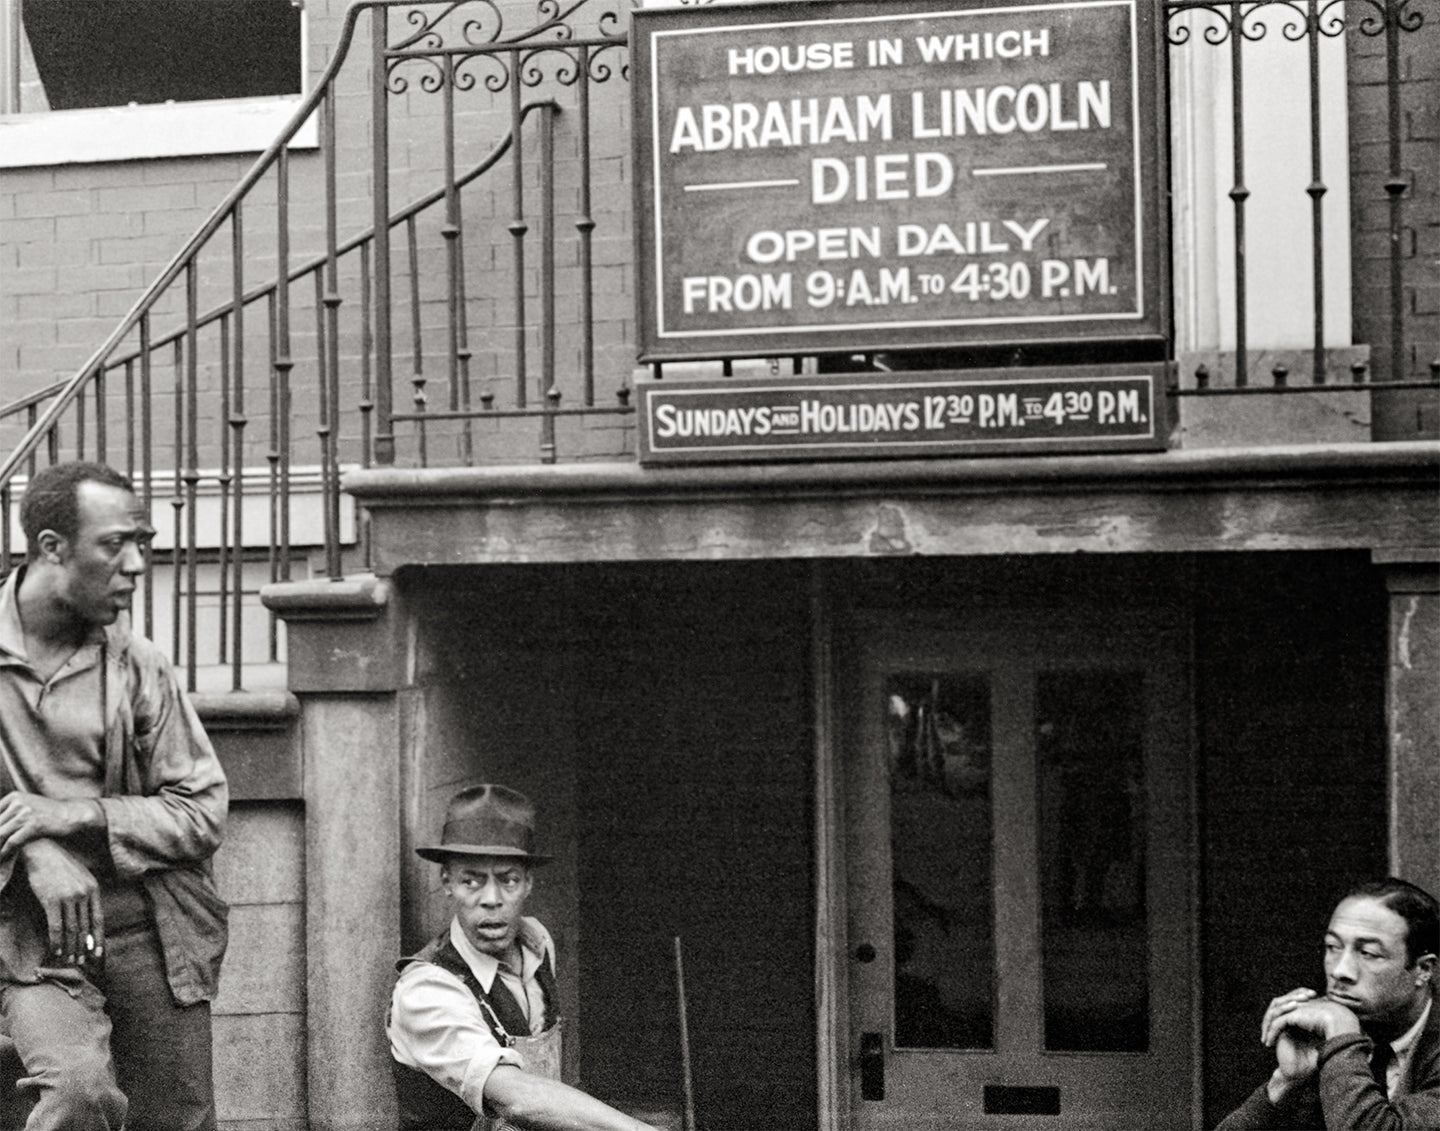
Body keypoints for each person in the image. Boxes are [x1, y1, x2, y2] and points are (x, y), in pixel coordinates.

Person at [0, 460, 229, 1130]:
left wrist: (74, 814)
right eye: (114, 544)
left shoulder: (139, 665)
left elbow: (201, 810)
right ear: (51, 547)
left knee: (179, 1119)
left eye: (142, 542)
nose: (136, 565)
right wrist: (36, 851)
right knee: (79, 1095)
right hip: (32, 941)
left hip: (150, 928)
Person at [388, 783, 661, 1131]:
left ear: (528, 883)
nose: (492, 899)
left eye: (508, 880)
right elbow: (516, 1099)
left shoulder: (537, 942)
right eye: (471, 881)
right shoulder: (427, 989)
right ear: (447, 882)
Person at [1217, 877, 1440, 1130]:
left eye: (1368, 953)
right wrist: (1284, 1084)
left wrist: (1342, 1034)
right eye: (1333, 947)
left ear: (1423, 969)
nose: (1340, 971)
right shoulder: (1322, 1044)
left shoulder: (1340, 1036)